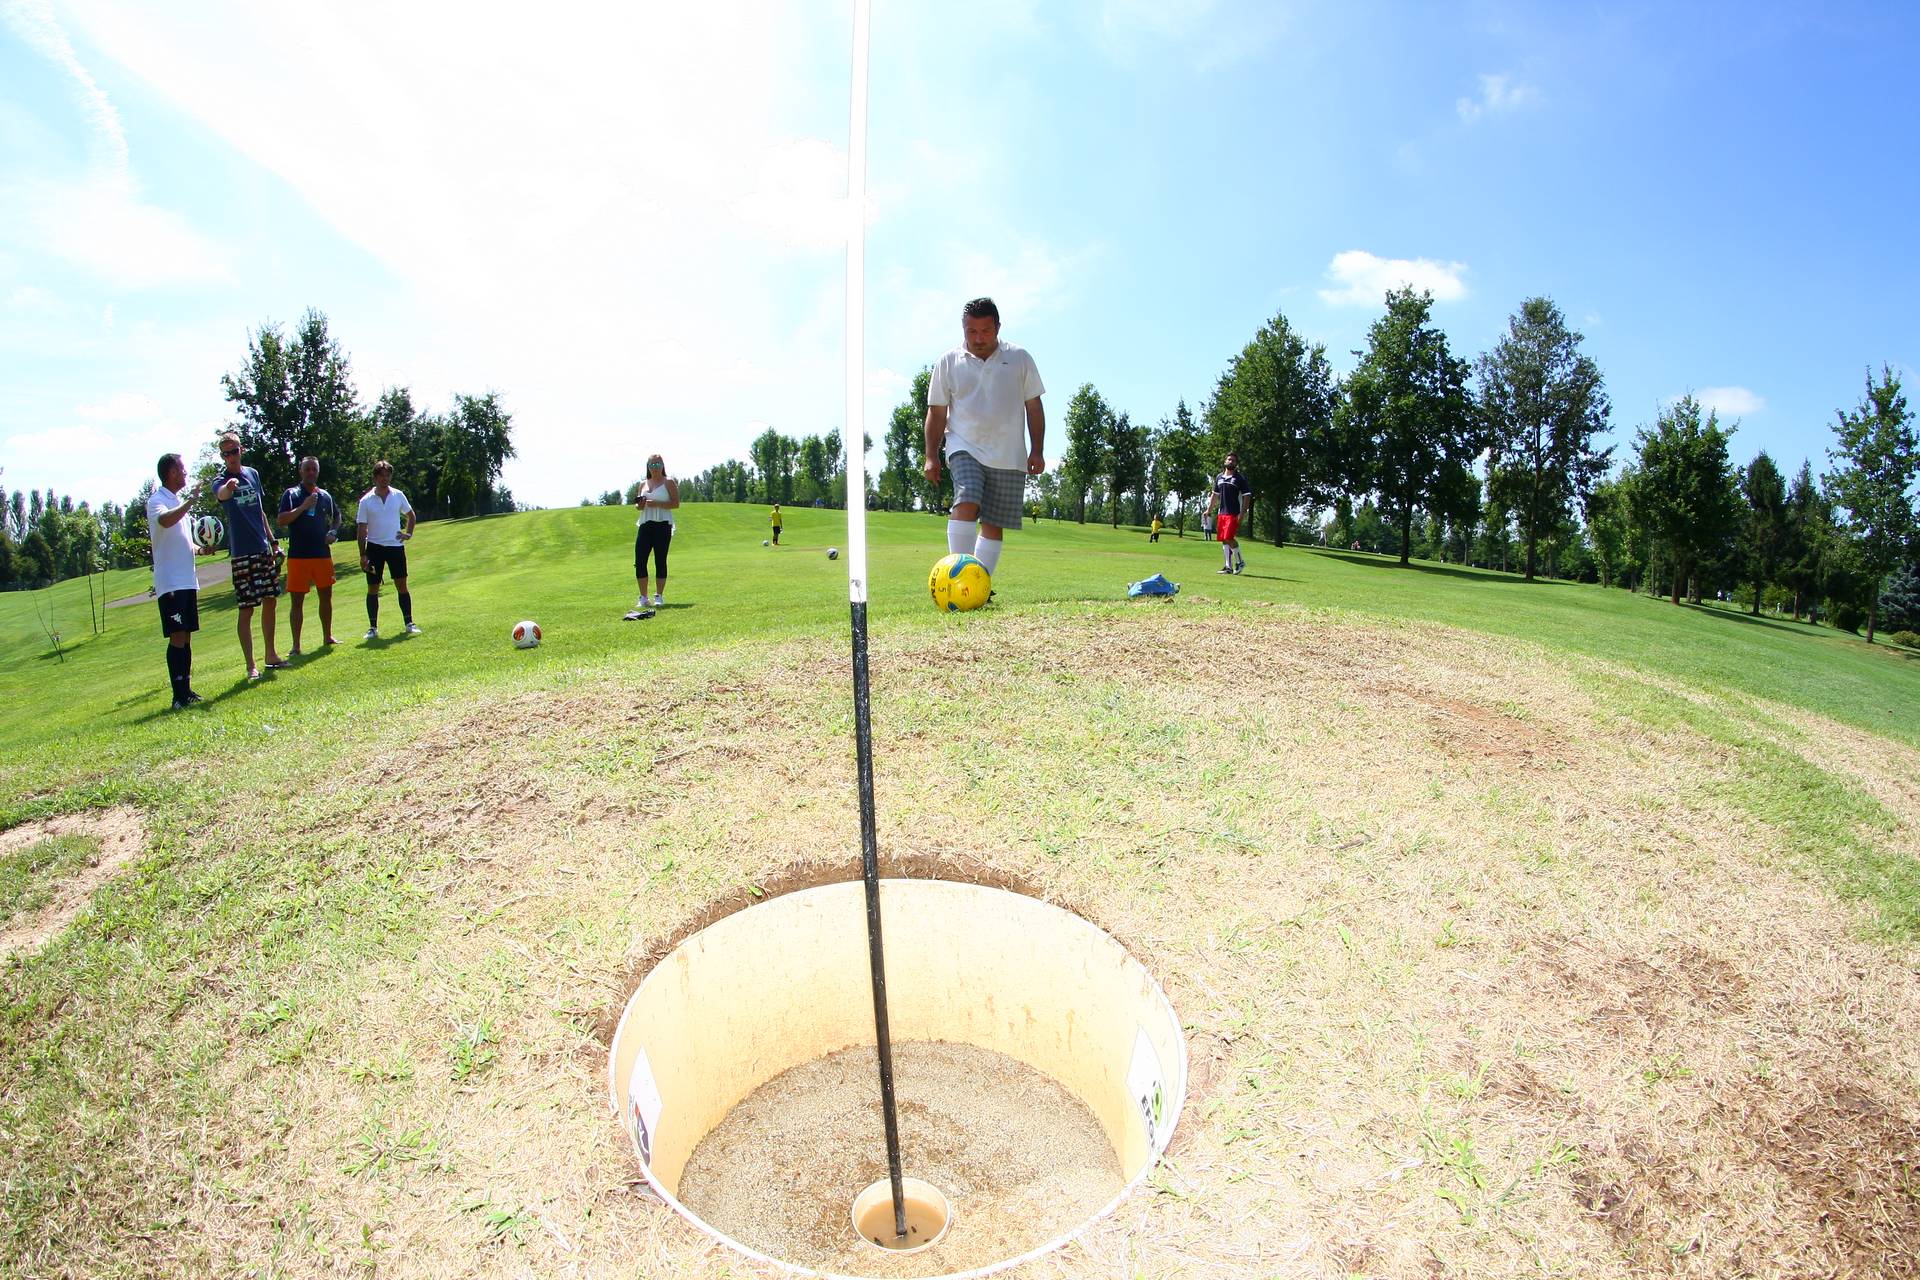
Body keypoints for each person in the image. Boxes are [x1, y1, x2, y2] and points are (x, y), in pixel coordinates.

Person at [923, 297, 1045, 584]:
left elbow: (1035, 407)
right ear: (963, 328)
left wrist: (1037, 450)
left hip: (1008, 453)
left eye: (985, 331)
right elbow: (937, 412)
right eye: (971, 331)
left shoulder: (1020, 358)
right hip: (963, 446)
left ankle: (978, 586)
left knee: (993, 522)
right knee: (966, 499)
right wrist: (931, 455)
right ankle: (956, 579)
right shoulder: (948, 361)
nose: (978, 339)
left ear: (998, 328)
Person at [214, 432, 287, 678]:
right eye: (226, 453)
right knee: (246, 608)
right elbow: (221, 494)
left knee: (270, 599)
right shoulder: (221, 479)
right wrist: (229, 487)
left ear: (241, 449)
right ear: (222, 456)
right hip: (241, 554)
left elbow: (261, 512)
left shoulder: (253, 474)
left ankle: (271, 655)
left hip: (262, 548)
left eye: (234, 451)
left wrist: (273, 542)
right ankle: (250, 665)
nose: (231, 457)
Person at [146, 453, 210, 708]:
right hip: (170, 583)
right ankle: (177, 696)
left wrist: (200, 549)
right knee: (177, 636)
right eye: (182, 469)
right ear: (171, 472)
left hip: (187, 581)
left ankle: (186, 690)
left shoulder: (177, 501)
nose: (185, 473)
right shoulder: (157, 501)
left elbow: (183, 542)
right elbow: (165, 520)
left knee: (187, 636)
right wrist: (190, 503)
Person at [276, 455, 340, 653]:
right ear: (300, 471)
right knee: (297, 602)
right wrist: (303, 506)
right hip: (298, 555)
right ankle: (296, 645)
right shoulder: (291, 494)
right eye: (307, 469)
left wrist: (333, 532)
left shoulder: (325, 496)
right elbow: (281, 520)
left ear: (318, 471)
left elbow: (337, 517)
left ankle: (327, 636)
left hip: (321, 553)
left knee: (326, 596)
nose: (311, 472)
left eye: (314, 469)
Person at [356, 460, 419, 638]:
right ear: (375, 477)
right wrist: (362, 554)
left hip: (395, 546)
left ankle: (409, 623)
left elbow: (411, 515)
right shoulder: (366, 501)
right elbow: (361, 529)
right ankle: (373, 628)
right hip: (374, 548)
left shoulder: (398, 495)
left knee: (402, 585)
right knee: (373, 588)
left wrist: (409, 533)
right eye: (381, 476)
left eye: (387, 475)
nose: (385, 479)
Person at [629, 453, 678, 618]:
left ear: (663, 465)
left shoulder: (668, 482)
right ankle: (643, 598)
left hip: (663, 525)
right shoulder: (643, 483)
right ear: (648, 467)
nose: (655, 467)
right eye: (652, 465)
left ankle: (659, 596)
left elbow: (676, 503)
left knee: (660, 560)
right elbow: (638, 507)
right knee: (640, 560)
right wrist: (641, 505)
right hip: (645, 524)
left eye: (658, 464)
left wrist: (656, 503)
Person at [1205, 451, 1254, 575]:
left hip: (1234, 513)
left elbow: (1247, 496)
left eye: (1233, 460)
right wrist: (1208, 510)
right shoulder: (1219, 477)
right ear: (1225, 461)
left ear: (1236, 464)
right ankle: (1228, 566)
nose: (1230, 462)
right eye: (1229, 459)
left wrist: (1243, 513)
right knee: (1224, 539)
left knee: (1229, 537)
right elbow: (1215, 496)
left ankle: (1240, 561)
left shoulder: (1239, 479)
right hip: (1222, 513)